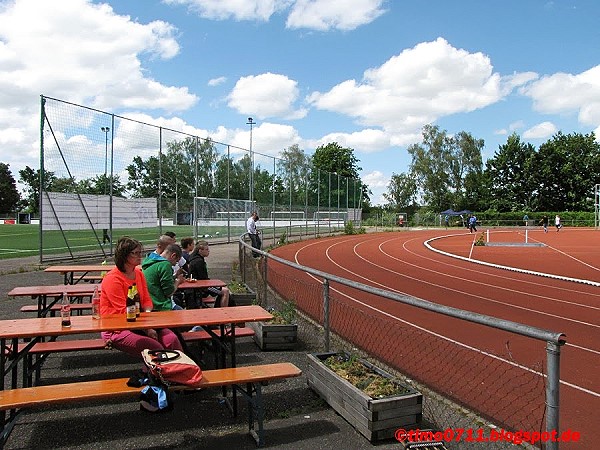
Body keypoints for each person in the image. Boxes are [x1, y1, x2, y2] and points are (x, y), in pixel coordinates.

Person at [99, 236, 183, 360]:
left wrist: (148, 319)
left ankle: (180, 371)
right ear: (124, 255)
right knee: (154, 347)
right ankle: (157, 376)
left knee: (172, 340)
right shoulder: (113, 279)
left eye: (140, 252)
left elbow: (147, 301)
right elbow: (123, 311)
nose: (140, 256)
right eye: (136, 253)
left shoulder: (138, 273)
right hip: (117, 327)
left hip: (141, 322)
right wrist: (147, 329)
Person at [142, 243, 185, 311]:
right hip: (161, 305)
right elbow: (169, 292)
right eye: (176, 261)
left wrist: (175, 276)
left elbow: (158, 281)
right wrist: (178, 281)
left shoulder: (149, 260)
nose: (174, 264)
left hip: (148, 304)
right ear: (173, 256)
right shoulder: (165, 265)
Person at [188, 240, 230, 308]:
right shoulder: (199, 262)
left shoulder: (194, 259)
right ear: (200, 250)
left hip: (198, 285)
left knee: (223, 290)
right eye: (206, 249)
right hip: (202, 287)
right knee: (225, 291)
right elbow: (204, 278)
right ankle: (223, 311)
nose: (208, 251)